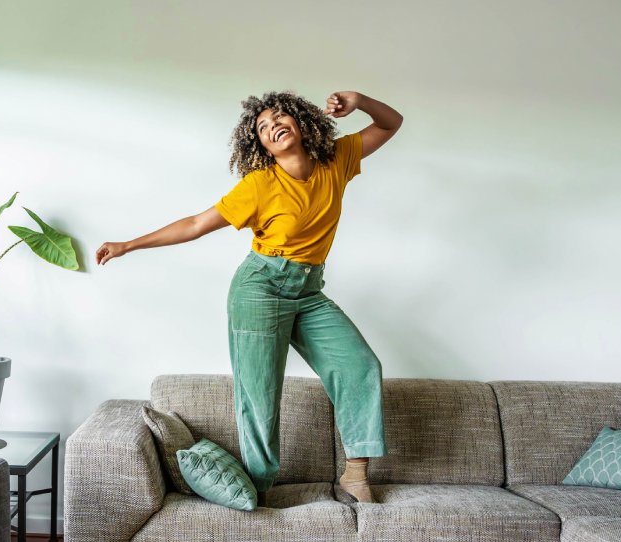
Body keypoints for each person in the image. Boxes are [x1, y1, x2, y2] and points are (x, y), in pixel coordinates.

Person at [96, 90, 402, 505]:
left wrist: (360, 100)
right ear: (258, 143)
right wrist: (128, 245)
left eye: (279, 117)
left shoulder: (337, 159)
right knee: (260, 392)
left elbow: (390, 123)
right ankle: (258, 490)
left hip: (308, 291)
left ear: (300, 121)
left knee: (358, 364)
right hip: (261, 288)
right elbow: (196, 224)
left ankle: (355, 473)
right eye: (262, 127)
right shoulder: (259, 185)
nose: (272, 126)